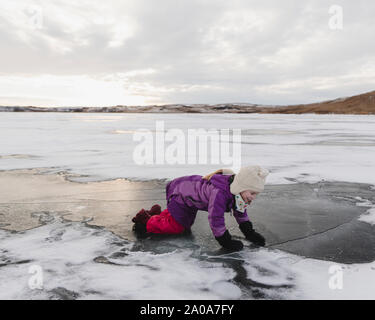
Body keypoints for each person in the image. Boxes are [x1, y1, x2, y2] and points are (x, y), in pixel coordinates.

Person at [131, 165, 269, 251]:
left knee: (183, 223)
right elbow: (215, 218)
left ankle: (158, 214)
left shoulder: (238, 193)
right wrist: (225, 241)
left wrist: (250, 233)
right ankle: (146, 220)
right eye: (252, 193)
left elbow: (240, 213)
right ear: (242, 187)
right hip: (181, 194)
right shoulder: (220, 193)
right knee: (178, 227)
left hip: (190, 198)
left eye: (256, 194)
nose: (253, 197)